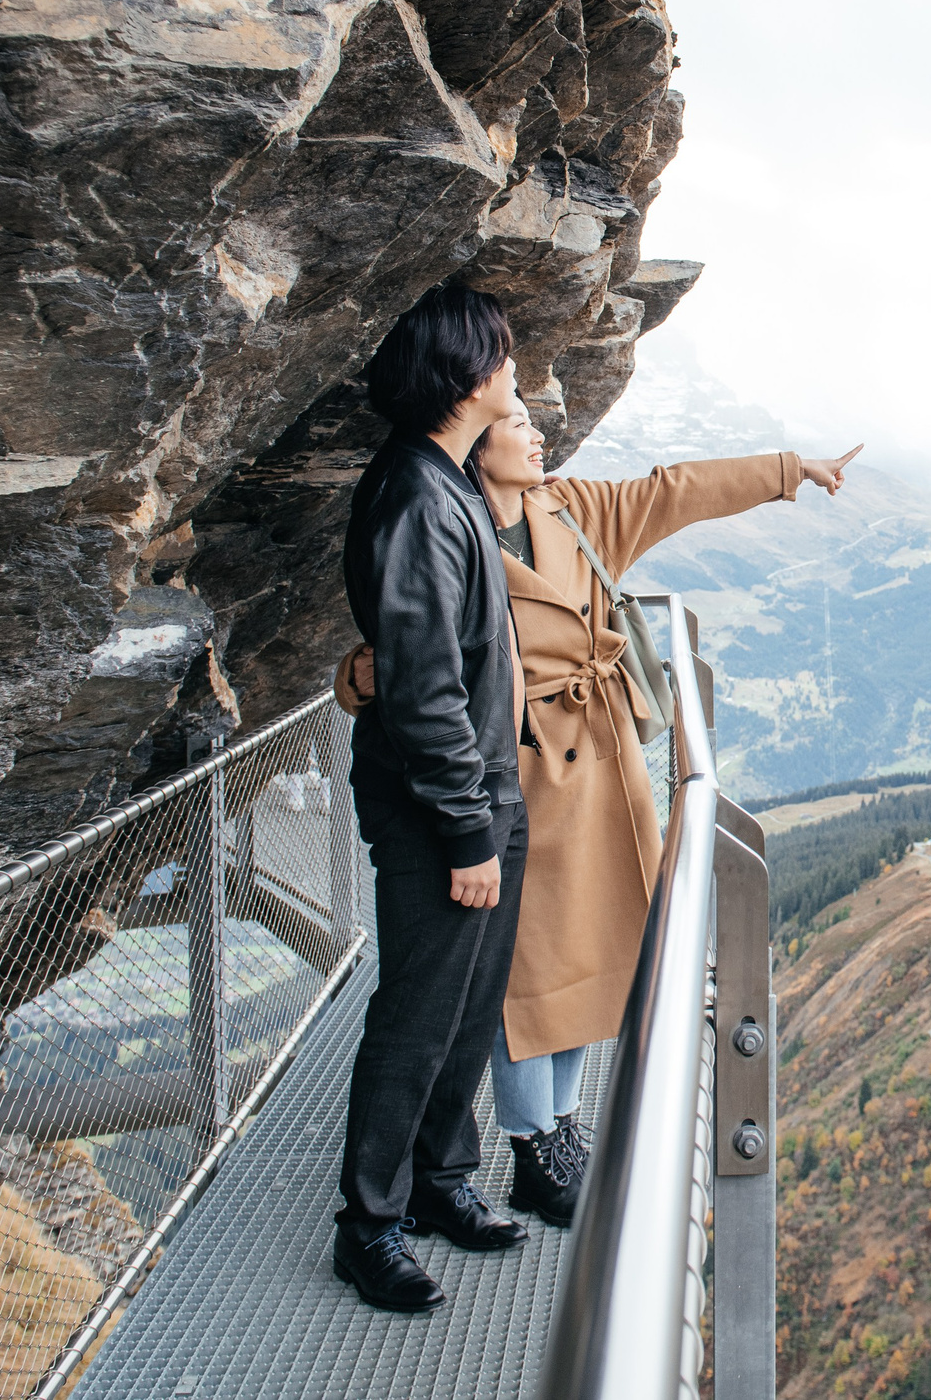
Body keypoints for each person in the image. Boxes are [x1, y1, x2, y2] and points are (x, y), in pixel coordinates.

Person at [339, 412, 859, 1225]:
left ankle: (562, 1124)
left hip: (597, 770)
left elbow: (675, 491)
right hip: (511, 779)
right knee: (526, 975)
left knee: (596, 954)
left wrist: (793, 467)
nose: (539, 433)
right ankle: (529, 1142)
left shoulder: (573, 509)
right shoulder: (451, 532)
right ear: (476, 445)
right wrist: (359, 679)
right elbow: (391, 659)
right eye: (516, 421)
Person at [331, 283, 533, 1315]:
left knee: (466, 1003)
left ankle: (441, 1181)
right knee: (417, 1014)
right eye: (499, 355)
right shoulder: (417, 494)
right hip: (443, 807)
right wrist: (465, 829)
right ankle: (369, 1225)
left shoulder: (442, 482)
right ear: (467, 377)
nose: (513, 368)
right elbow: (418, 681)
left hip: (484, 794)